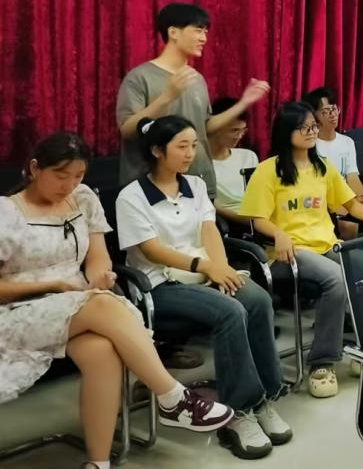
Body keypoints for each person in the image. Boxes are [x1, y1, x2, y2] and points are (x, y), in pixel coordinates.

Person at [1, 132, 235, 469]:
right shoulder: (6, 212)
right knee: (102, 305)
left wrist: (100, 276)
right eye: (61, 175)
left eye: (79, 176)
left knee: (102, 351)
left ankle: (98, 463)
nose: (70, 185)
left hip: (75, 305)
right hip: (18, 311)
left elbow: (98, 258)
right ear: (35, 168)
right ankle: (172, 398)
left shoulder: (83, 199)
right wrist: (54, 284)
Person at [115, 117, 292, 459]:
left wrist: (220, 268)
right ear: (157, 150)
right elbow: (151, 250)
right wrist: (205, 266)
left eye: (194, 145)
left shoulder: (195, 185)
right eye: (182, 146)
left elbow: (209, 230)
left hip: (203, 274)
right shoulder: (131, 196)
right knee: (230, 311)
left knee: (256, 299)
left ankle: (265, 399)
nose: (190, 153)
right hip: (159, 286)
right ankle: (238, 412)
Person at [239, 102, 363, 399]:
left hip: (326, 246)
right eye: (303, 128)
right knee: (335, 278)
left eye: (313, 127)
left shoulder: (322, 167)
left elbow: (348, 203)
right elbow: (257, 219)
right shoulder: (268, 171)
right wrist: (279, 233)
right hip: (288, 255)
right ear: (286, 132)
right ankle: (322, 363)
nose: (311, 132)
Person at [117, 2, 271, 196]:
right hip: (154, 188)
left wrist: (244, 103)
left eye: (205, 32)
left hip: (199, 182)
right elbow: (127, 130)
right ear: (173, 32)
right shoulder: (139, 77)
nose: (204, 38)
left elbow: (204, 128)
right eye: (198, 30)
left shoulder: (196, 79)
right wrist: (167, 97)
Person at [303, 86, 363, 238]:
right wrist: (344, 207)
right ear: (313, 116)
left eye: (334, 109)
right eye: (325, 111)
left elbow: (352, 177)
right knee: (349, 227)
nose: (333, 114)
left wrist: (360, 201)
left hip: (347, 202)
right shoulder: (310, 146)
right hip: (325, 205)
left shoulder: (347, 142)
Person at [206, 96, 258, 228]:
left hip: (259, 215)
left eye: (243, 130)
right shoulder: (201, 164)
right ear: (216, 127)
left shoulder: (248, 156)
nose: (239, 136)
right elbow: (210, 204)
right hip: (232, 223)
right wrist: (250, 221)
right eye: (234, 130)